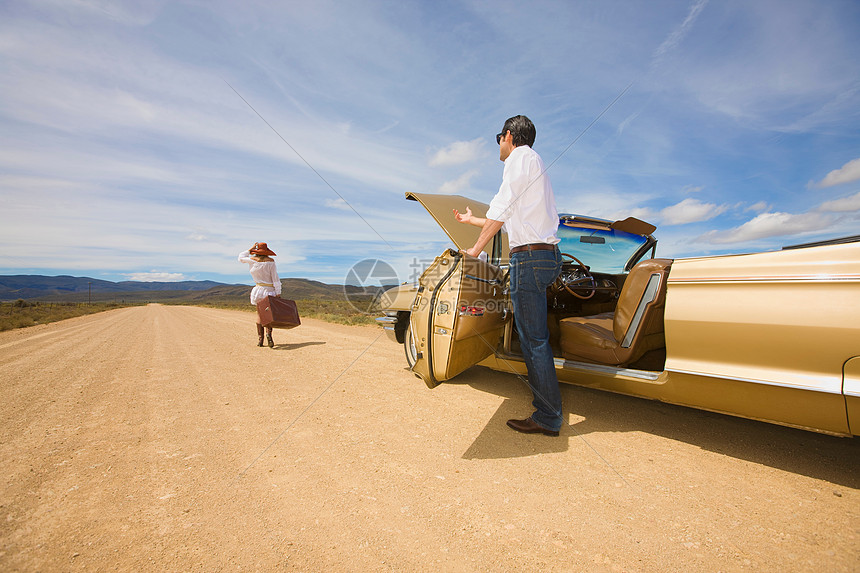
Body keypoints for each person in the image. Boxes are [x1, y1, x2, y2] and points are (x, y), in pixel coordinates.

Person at [454, 115, 563, 437]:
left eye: (498, 139)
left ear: (508, 136)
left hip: (529, 259)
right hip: (546, 256)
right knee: (536, 336)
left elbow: (500, 212)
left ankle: (547, 416)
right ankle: (549, 410)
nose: (499, 145)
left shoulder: (518, 159)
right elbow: (505, 216)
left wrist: (474, 251)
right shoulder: (534, 164)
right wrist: (474, 220)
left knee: (534, 340)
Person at [238, 242, 281, 348]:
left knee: (259, 315)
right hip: (269, 291)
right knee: (269, 315)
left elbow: (240, 257)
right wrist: (278, 292)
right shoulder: (271, 262)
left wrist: (250, 249)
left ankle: (260, 340)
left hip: (258, 290)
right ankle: (268, 334)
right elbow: (275, 278)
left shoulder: (252, 261)